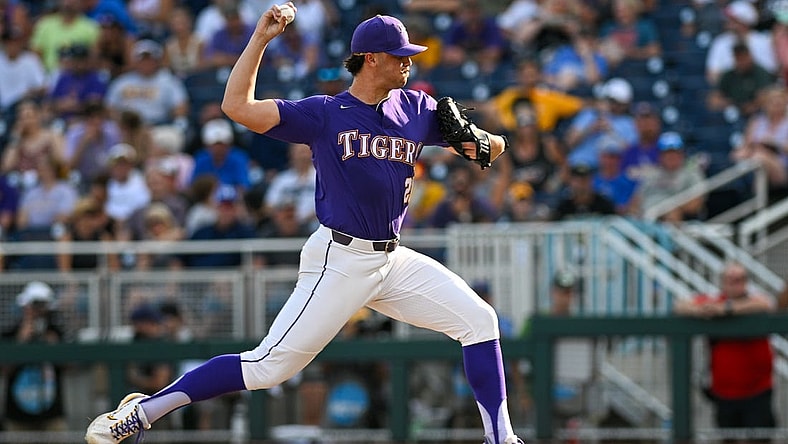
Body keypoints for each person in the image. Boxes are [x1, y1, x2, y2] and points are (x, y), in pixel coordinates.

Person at [85, 7, 522, 444]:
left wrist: (481, 141)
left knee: (480, 321)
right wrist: (260, 39)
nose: (408, 61)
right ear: (370, 59)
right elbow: (236, 107)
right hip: (341, 256)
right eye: (399, 55)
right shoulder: (326, 113)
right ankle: (142, 412)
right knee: (266, 367)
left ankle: (501, 438)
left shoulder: (418, 107)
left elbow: (494, 146)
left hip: (392, 259)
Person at [673, 262, 776, 439]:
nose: (735, 283)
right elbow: (679, 306)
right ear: (722, 281)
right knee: (728, 437)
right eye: (730, 279)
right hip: (725, 394)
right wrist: (701, 311)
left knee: (761, 437)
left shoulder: (754, 301)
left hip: (758, 391)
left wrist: (727, 310)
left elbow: (767, 304)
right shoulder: (713, 302)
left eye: (739, 279)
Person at [1, 281, 68, 432]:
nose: (38, 311)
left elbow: (71, 366)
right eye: (34, 305)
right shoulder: (10, 333)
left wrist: (54, 347)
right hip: (17, 416)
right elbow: (4, 370)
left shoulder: (56, 333)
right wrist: (20, 342)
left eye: (42, 305)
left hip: (52, 414)